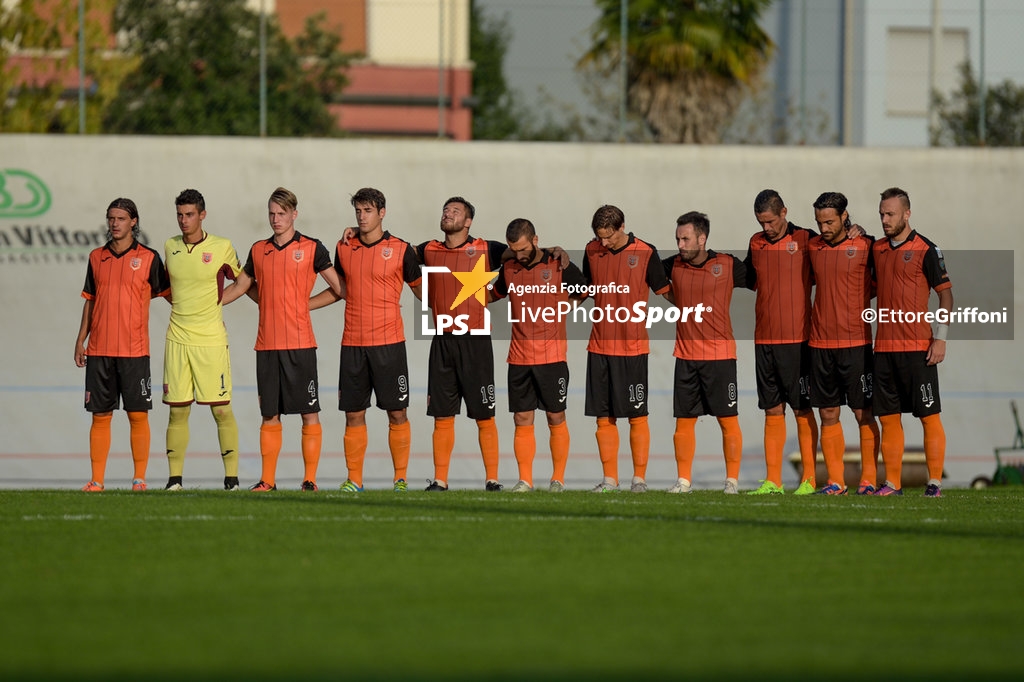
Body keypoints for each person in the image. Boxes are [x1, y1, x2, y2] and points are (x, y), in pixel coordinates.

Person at [222, 187, 342, 492]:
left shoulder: (313, 248)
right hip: (267, 346)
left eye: (281, 214)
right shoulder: (258, 250)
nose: (276, 219)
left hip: (301, 344)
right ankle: (268, 480)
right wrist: (208, 301)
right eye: (272, 214)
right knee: (269, 414)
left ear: (294, 214)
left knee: (308, 412)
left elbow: (341, 289)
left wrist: (307, 304)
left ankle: (310, 480)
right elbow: (240, 287)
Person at [312, 187, 421, 492]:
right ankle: (354, 479)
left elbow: (420, 289)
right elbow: (340, 290)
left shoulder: (401, 249)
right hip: (353, 344)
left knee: (397, 413)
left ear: (382, 213)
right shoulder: (344, 246)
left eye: (368, 210)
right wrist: (303, 305)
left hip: (389, 343)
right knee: (354, 413)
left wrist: (452, 311)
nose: (362, 216)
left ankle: (400, 478)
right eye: (358, 211)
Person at [74, 198, 170, 491]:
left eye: (120, 218)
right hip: (100, 350)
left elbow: (171, 296)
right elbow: (90, 301)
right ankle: (97, 480)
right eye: (111, 218)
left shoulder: (150, 258)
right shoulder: (96, 257)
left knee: (137, 414)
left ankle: (139, 479)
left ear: (134, 222)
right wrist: (81, 340)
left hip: (134, 351)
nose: (114, 223)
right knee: (100, 416)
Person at [418, 197, 508, 491]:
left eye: (455, 211)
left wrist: (553, 251)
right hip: (443, 341)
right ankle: (440, 480)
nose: (448, 214)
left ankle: (492, 479)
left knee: (484, 413)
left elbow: (523, 255)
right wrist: (354, 230)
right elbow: (390, 250)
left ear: (468, 222)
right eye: (445, 209)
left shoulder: (488, 248)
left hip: (476, 341)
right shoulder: (428, 249)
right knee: (442, 414)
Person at [582, 205, 671, 493]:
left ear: (622, 227)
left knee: (636, 414)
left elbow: (665, 291)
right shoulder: (591, 249)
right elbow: (586, 289)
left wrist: (696, 309)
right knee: (603, 415)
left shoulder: (645, 251)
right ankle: (609, 479)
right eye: (599, 237)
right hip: (599, 346)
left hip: (632, 347)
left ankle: (639, 480)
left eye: (608, 237)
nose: (603, 243)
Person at [492, 218, 585, 493]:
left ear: (535, 240)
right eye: (513, 249)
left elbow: (583, 290)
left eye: (522, 249)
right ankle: (525, 480)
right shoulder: (509, 267)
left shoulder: (559, 265)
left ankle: (557, 479)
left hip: (552, 356)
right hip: (519, 357)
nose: (518, 255)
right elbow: (495, 293)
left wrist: (565, 308)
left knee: (555, 417)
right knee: (522, 418)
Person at [872, 187, 953, 497]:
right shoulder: (876, 249)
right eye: (882, 213)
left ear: (907, 213)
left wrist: (941, 339)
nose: (885, 219)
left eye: (890, 213)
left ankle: (934, 483)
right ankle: (893, 483)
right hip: (885, 351)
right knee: (888, 419)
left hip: (918, 349)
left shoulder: (927, 249)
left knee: (929, 416)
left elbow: (946, 294)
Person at [162, 189, 243, 491]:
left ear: (202, 215)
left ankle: (232, 480)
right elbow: (165, 287)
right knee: (177, 410)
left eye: (190, 214)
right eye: (180, 215)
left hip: (210, 341)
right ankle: (174, 480)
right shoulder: (170, 246)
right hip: (177, 339)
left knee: (221, 410)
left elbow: (244, 279)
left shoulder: (221, 247)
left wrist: (220, 302)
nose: (184, 220)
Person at [664, 212, 747, 494]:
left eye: (685, 238)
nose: (680, 244)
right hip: (686, 357)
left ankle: (731, 482)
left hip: (721, 357)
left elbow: (765, 276)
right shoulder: (672, 265)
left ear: (702, 238)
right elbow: (643, 270)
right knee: (684, 422)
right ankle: (683, 480)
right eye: (677, 239)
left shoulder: (727, 264)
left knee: (728, 420)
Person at [743, 190, 819, 495]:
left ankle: (809, 479)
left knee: (802, 409)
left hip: (798, 339)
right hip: (764, 340)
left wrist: (857, 229)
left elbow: (837, 246)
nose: (767, 228)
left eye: (771, 221)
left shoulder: (807, 239)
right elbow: (750, 279)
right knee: (772, 410)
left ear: (784, 212)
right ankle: (773, 480)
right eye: (761, 222)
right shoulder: (755, 242)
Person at [807, 192, 880, 495]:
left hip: (856, 342)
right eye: (819, 222)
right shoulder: (812, 246)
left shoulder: (866, 245)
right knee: (828, 413)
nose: (823, 227)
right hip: (820, 344)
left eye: (829, 221)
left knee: (863, 412)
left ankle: (870, 479)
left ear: (844, 216)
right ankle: (835, 481)